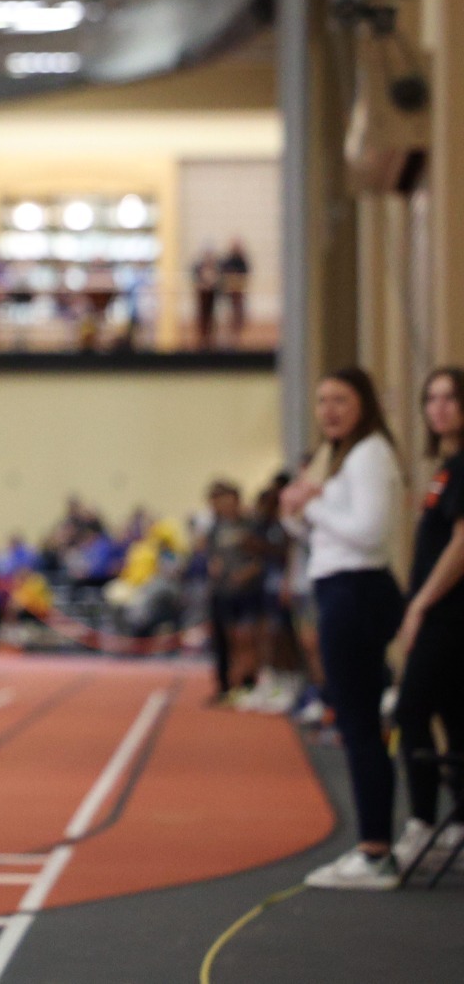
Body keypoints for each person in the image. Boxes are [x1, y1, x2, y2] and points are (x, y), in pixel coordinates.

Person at [281, 368, 405, 890]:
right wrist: (296, 510)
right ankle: (376, 845)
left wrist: (315, 503)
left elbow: (370, 531)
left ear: (364, 403)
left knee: (358, 725)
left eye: (341, 400)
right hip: (338, 586)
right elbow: (311, 530)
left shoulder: (371, 454)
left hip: (359, 590)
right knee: (354, 720)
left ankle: (376, 851)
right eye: (322, 399)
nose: (329, 409)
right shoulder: (337, 455)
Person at [394, 366, 464, 868]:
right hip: (438, 613)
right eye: (431, 398)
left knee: (410, 710)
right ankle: (457, 823)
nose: (438, 407)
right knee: (453, 717)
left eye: (450, 398)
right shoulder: (445, 467)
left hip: (449, 617)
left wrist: (419, 604)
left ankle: (421, 822)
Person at [200, 480, 266, 703]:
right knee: (226, 640)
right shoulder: (215, 528)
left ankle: (249, 682)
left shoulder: (251, 524)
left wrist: (247, 573)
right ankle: (228, 685)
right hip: (222, 591)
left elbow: (263, 556)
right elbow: (209, 553)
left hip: (247, 592)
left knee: (246, 638)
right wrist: (213, 564)